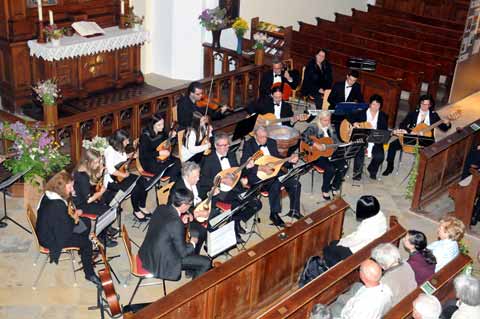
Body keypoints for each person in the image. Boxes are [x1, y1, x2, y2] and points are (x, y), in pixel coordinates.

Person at [35, 171, 100, 286]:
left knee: (85, 222)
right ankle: (89, 273)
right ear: (61, 187)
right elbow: (64, 231)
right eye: (70, 187)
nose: (72, 189)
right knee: (86, 243)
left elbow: (61, 221)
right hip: (51, 239)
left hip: (48, 229)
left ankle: (84, 253)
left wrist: (73, 217)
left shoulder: (49, 194)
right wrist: (74, 218)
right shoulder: (57, 205)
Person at [198, 132, 262, 243]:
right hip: (220, 191)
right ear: (216, 146)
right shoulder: (209, 159)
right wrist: (219, 180)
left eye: (227, 145)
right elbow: (203, 180)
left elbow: (238, 172)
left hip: (235, 187)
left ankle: (236, 221)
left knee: (256, 204)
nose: (225, 148)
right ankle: (234, 232)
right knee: (237, 203)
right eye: (222, 145)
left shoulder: (231, 154)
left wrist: (247, 167)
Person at [138, 189, 212, 280]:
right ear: (184, 205)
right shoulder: (176, 223)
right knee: (206, 262)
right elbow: (183, 253)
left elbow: (167, 225)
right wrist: (192, 243)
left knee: (194, 233)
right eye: (190, 204)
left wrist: (181, 222)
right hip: (161, 262)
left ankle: (191, 269)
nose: (190, 207)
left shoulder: (161, 207)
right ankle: (193, 289)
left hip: (148, 252)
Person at [241, 126, 302, 227]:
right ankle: (274, 214)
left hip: (275, 172)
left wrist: (288, 160)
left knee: (295, 183)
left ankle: (294, 210)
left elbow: (277, 158)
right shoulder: (249, 145)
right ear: (256, 136)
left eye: (266, 136)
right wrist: (260, 168)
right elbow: (243, 165)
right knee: (276, 183)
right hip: (259, 176)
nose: (265, 139)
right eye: (262, 137)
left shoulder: (271, 142)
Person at [383, 94, 452, 176]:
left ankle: (425, 172)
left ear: (430, 105)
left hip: (426, 140)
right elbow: (402, 124)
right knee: (392, 146)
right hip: (411, 137)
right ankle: (389, 167)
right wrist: (410, 131)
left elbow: (444, 128)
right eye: (422, 104)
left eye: (426, 104)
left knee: (434, 152)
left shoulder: (433, 115)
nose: (424, 106)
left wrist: (448, 123)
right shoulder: (413, 113)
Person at [323, 195, 387, 267]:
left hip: (358, 251)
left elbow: (352, 241)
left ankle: (333, 268)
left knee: (328, 249)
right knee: (333, 244)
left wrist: (341, 242)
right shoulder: (380, 215)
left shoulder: (367, 228)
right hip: (370, 244)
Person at [72, 148, 117, 247]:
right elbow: (89, 199)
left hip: (84, 197)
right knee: (107, 211)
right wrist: (101, 191)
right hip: (80, 205)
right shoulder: (81, 176)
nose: (98, 165)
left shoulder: (83, 167)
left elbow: (90, 183)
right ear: (88, 161)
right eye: (96, 162)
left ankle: (107, 227)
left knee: (106, 198)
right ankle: (101, 236)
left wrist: (99, 174)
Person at [104, 129, 150, 222]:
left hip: (122, 174)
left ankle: (142, 205)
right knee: (135, 188)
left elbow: (121, 160)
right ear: (120, 141)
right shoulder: (110, 151)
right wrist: (124, 175)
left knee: (143, 181)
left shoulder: (120, 147)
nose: (128, 142)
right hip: (113, 180)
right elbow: (110, 169)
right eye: (126, 140)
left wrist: (130, 156)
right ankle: (136, 211)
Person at [301, 110, 347, 199]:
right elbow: (303, 136)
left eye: (329, 120)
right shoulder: (314, 127)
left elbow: (336, 141)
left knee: (344, 166)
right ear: (319, 119)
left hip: (330, 151)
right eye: (325, 120)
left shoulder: (332, 128)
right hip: (316, 154)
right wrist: (315, 144)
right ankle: (325, 189)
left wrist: (344, 143)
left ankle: (335, 186)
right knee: (331, 168)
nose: (327, 122)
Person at [168, 162, 208, 254]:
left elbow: (201, 192)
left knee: (215, 216)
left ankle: (208, 244)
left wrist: (209, 194)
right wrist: (196, 213)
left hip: (197, 207)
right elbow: (173, 209)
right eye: (195, 177)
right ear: (187, 176)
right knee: (201, 231)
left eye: (198, 175)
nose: (198, 179)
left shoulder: (194, 181)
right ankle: (194, 253)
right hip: (186, 216)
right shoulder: (178, 189)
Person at [351, 94, 388, 180]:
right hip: (362, 137)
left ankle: (372, 169)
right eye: (373, 104)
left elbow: (384, 130)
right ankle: (357, 173)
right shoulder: (362, 112)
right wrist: (354, 123)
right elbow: (349, 117)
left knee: (380, 156)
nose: (375, 107)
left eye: (378, 105)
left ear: (380, 106)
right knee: (359, 152)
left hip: (375, 139)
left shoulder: (383, 116)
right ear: (370, 104)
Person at [138, 111, 181, 180]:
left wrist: (172, 137)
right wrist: (159, 153)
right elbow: (144, 154)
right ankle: (173, 183)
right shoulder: (145, 137)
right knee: (174, 169)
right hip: (149, 161)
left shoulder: (161, 132)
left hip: (162, 157)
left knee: (179, 162)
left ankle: (174, 182)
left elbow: (167, 143)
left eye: (163, 124)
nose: (162, 126)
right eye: (159, 125)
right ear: (152, 125)